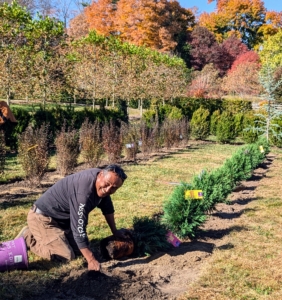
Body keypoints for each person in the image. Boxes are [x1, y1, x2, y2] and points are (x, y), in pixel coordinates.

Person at [16, 164, 128, 271]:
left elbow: (107, 208)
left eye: (114, 188)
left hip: (61, 222)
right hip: (43, 218)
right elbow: (78, 228)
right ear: (100, 175)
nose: (108, 189)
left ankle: (48, 235)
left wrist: (115, 231)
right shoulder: (84, 193)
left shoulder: (101, 183)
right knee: (66, 256)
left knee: (79, 251)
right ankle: (28, 238)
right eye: (107, 184)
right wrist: (91, 260)